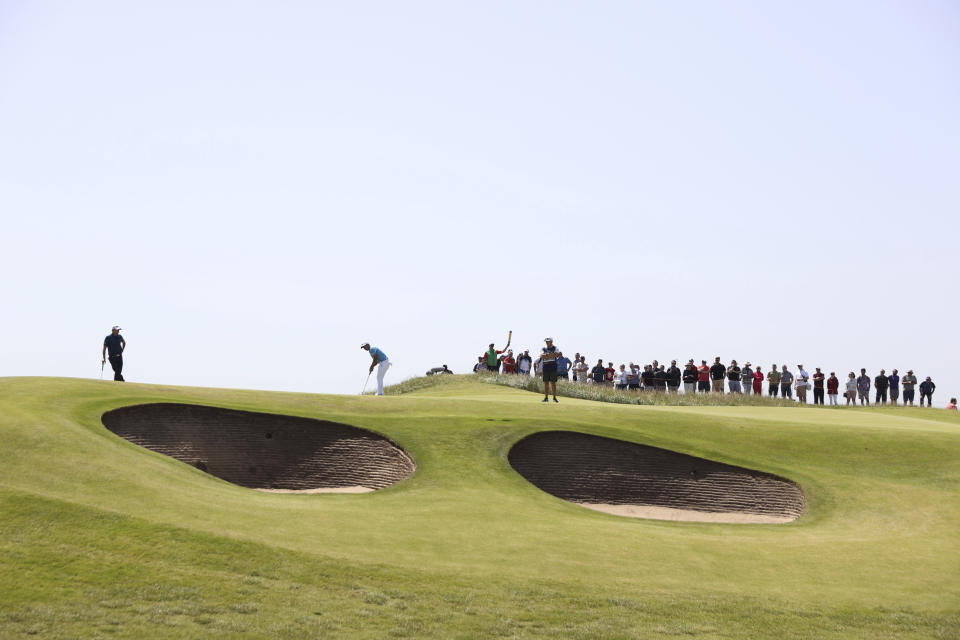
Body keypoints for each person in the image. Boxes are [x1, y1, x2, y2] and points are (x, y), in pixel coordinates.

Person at [540, 338, 560, 402]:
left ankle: (554, 398)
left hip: (553, 366)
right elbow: (541, 356)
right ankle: (546, 398)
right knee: (546, 383)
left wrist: (547, 355)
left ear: (551, 342)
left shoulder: (555, 348)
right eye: (546, 341)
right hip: (545, 366)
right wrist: (551, 355)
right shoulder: (543, 348)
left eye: (548, 341)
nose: (547, 342)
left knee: (553, 383)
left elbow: (556, 355)